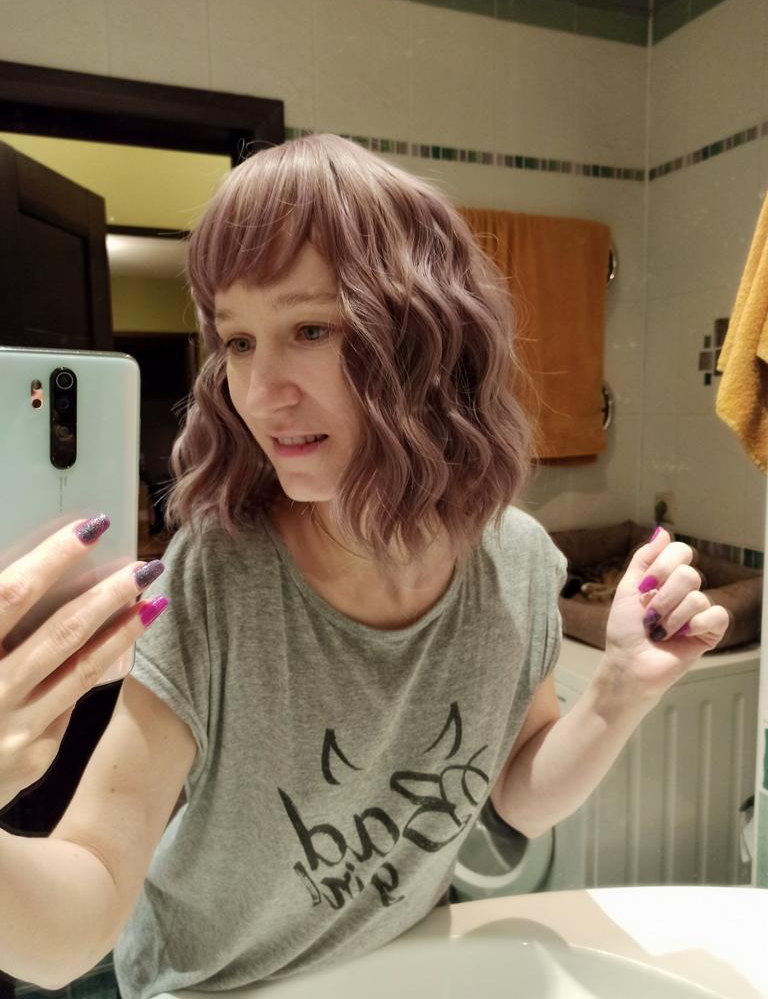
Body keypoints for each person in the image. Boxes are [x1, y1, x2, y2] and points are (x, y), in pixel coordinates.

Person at [0, 134, 729, 998]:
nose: (260, 392)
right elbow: (82, 906)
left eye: (309, 329)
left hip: (402, 969)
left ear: (425, 336)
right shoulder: (217, 578)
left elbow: (518, 794)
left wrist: (617, 694)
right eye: (238, 341)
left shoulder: (519, 563)